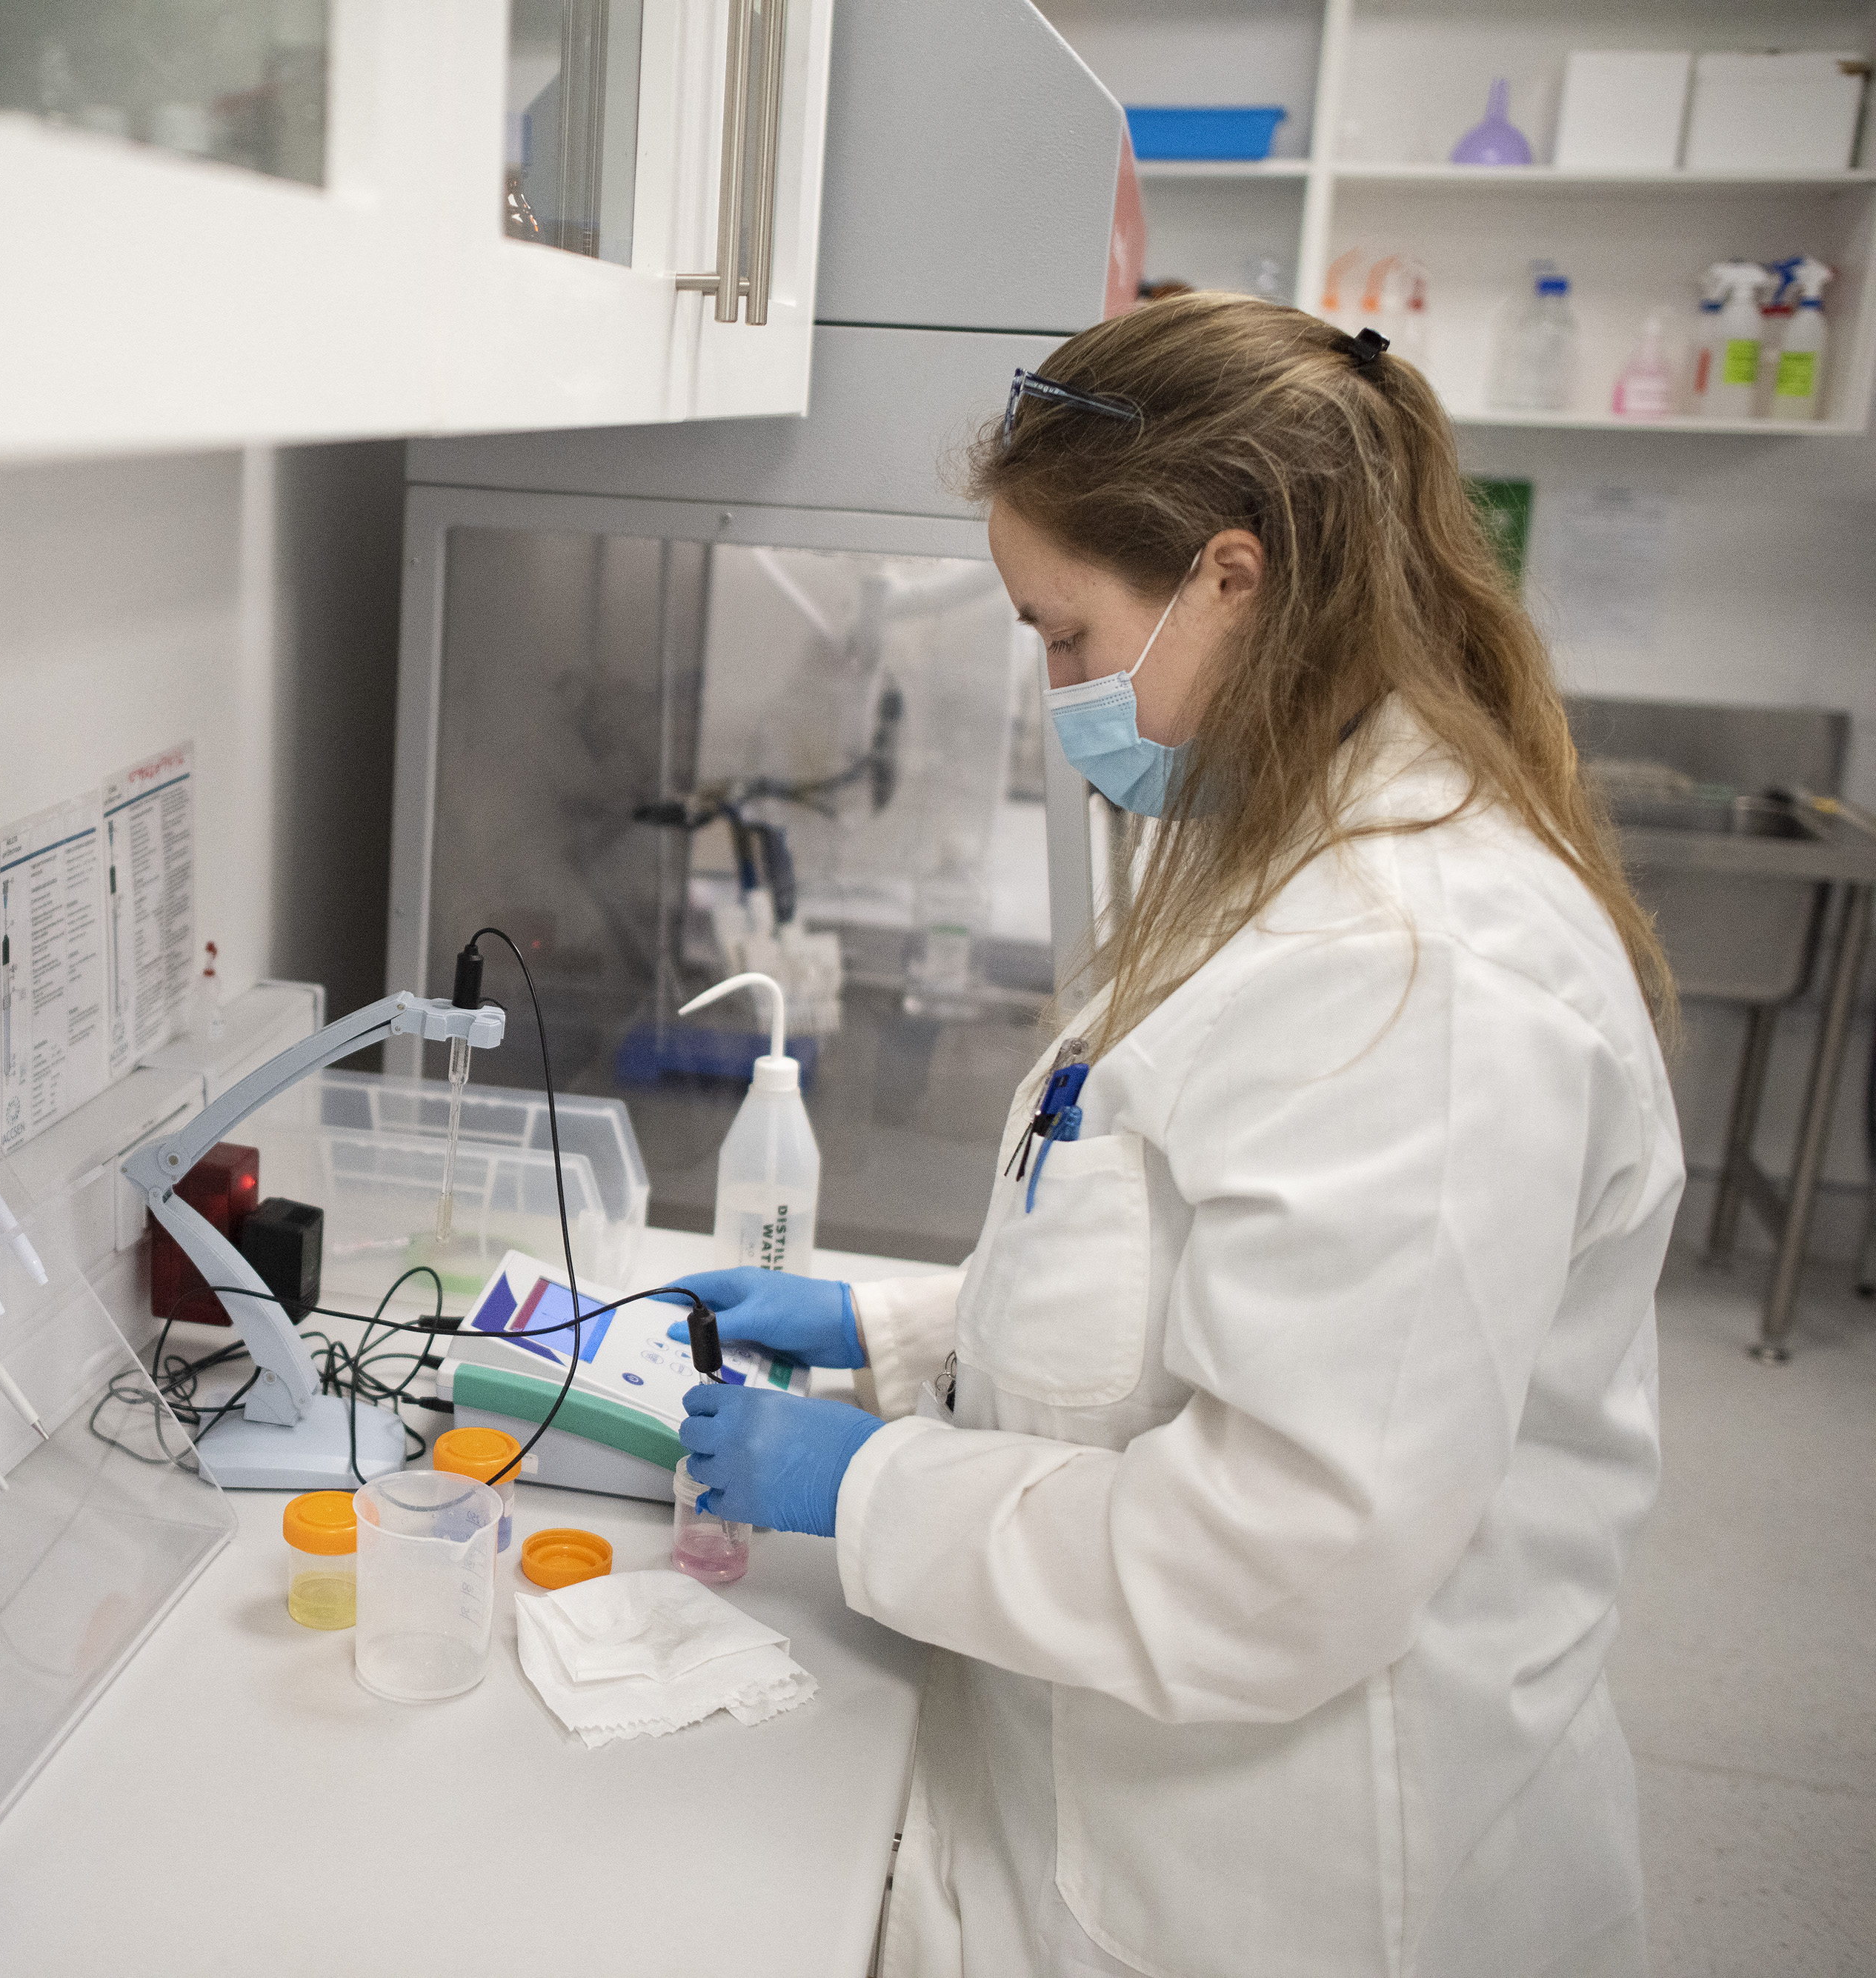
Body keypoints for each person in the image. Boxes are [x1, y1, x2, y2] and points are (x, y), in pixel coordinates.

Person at [660, 293, 1680, 1978]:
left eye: (1063, 635)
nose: (1055, 687)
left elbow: (1277, 1558)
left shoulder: (1417, 975)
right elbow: (1189, 1280)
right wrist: (900, 1336)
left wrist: (870, 1486)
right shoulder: (1282, 840)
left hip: (1287, 1886)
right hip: (1115, 1795)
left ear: (1229, 575)